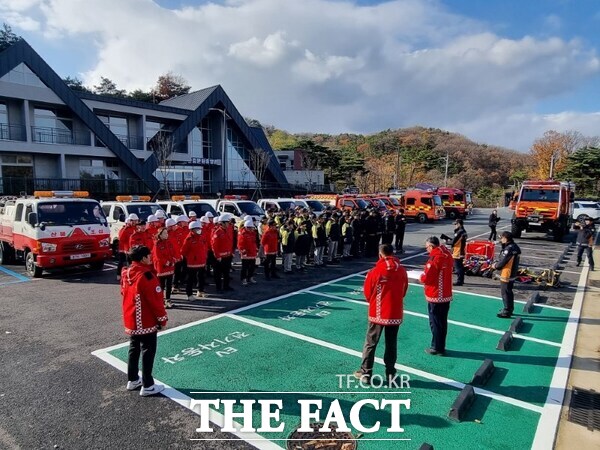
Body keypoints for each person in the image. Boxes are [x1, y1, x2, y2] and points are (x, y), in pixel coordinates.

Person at [354, 244, 408, 383]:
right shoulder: (401, 270)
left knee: (371, 343)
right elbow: (404, 290)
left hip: (378, 312)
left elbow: (367, 293)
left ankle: (366, 373)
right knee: (391, 344)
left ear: (380, 254)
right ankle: (391, 374)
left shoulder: (375, 271)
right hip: (395, 313)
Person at [121, 245, 168, 397]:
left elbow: (123, 292)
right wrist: (162, 319)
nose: (151, 257)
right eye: (149, 255)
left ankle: (133, 379)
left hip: (131, 317)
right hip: (145, 319)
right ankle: (148, 384)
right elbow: (155, 300)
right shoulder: (146, 275)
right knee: (148, 350)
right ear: (143, 258)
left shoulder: (127, 272)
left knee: (134, 348)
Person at [420, 236, 453, 355]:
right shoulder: (446, 254)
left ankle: (436, 347)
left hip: (436, 294)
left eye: (427, 247)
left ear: (431, 246)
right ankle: (440, 345)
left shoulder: (435, 259)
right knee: (442, 322)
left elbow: (427, 277)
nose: (427, 250)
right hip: (445, 293)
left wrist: (421, 277)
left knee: (435, 322)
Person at [491, 231, 521, 318]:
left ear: (505, 238)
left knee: (505, 292)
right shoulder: (513, 246)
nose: (500, 239)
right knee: (509, 292)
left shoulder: (509, 249)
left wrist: (495, 265)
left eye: (502, 238)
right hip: (511, 273)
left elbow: (502, 262)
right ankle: (509, 308)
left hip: (507, 273)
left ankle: (507, 311)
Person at [181, 221, 208, 300]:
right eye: (197, 229)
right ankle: (189, 295)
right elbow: (183, 251)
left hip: (202, 261)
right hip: (192, 263)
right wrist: (192, 257)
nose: (199, 230)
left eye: (200, 228)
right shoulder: (188, 239)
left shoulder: (201, 237)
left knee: (201, 277)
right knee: (191, 279)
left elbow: (204, 247)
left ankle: (200, 291)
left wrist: (204, 256)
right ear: (192, 230)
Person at [152, 227, 177, 309]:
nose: (166, 235)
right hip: (161, 268)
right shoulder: (157, 244)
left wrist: (174, 259)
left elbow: (172, 252)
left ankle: (168, 299)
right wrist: (167, 263)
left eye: (167, 233)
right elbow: (158, 257)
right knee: (161, 285)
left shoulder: (168, 243)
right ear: (160, 235)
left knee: (169, 284)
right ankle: (160, 300)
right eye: (164, 233)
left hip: (170, 267)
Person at [211, 214, 234, 292]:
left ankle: (226, 286)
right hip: (220, 257)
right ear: (222, 223)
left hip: (227, 256)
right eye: (227, 222)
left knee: (226, 273)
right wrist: (217, 256)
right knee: (218, 274)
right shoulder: (217, 232)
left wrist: (231, 253)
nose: (228, 224)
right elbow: (214, 245)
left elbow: (229, 243)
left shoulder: (227, 231)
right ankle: (218, 288)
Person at [445, 219, 467, 286]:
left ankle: (459, 281)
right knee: (460, 266)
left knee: (458, 267)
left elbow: (454, 242)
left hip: (458, 252)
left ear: (459, 224)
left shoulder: (460, 232)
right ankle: (461, 280)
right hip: (461, 251)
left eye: (456, 224)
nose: (455, 226)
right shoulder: (463, 231)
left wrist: (446, 241)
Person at [117, 213, 138, 280]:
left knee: (133, 264)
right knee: (122, 262)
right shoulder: (125, 230)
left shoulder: (136, 228)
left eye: (136, 220)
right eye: (133, 221)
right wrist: (123, 249)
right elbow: (121, 240)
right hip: (126, 250)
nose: (135, 222)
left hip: (133, 249)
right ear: (130, 221)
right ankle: (119, 274)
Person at [238, 218, 259, 285]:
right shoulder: (242, 234)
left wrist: (256, 249)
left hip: (252, 253)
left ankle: (250, 277)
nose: (252, 229)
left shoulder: (253, 234)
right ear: (248, 227)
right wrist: (243, 252)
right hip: (246, 254)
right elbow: (240, 244)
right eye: (251, 228)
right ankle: (243, 279)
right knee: (245, 267)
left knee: (252, 267)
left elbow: (254, 242)